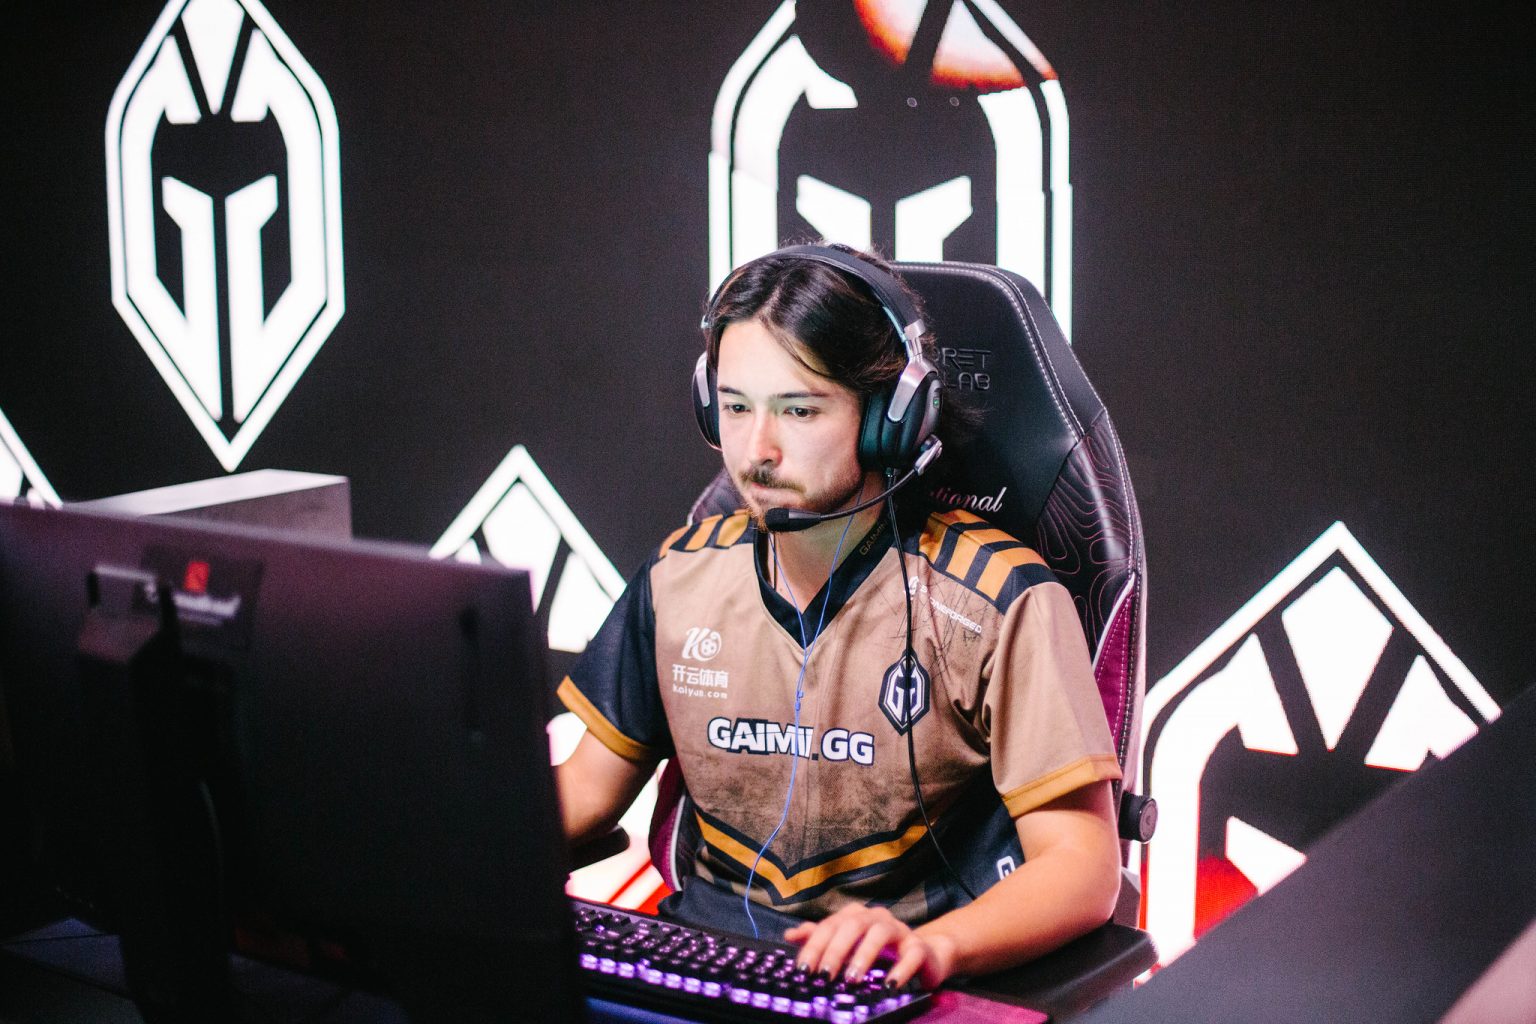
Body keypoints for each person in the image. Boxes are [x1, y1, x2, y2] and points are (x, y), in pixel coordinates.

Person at [556, 244, 1121, 990]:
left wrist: (935, 948)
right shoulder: (678, 577)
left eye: (799, 410)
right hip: (698, 972)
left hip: (896, 984)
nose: (756, 451)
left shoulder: (999, 600)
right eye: (735, 407)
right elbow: (585, 794)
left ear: (891, 416)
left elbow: (1083, 866)